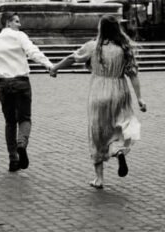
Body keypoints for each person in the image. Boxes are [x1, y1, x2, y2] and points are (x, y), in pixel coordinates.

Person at [50, 15, 146, 189]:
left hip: (98, 93)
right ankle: (117, 150)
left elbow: (72, 58)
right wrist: (140, 98)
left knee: (97, 132)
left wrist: (55, 67)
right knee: (120, 126)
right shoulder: (124, 48)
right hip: (120, 91)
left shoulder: (93, 47)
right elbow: (133, 75)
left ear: (101, 29)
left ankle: (99, 178)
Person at [0, 11, 54, 172]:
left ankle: (13, 159)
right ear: (8, 23)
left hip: (3, 84)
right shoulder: (19, 36)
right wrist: (49, 65)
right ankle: (22, 143)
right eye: (17, 21)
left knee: (10, 122)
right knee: (25, 118)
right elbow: (33, 52)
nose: (20, 25)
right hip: (21, 82)